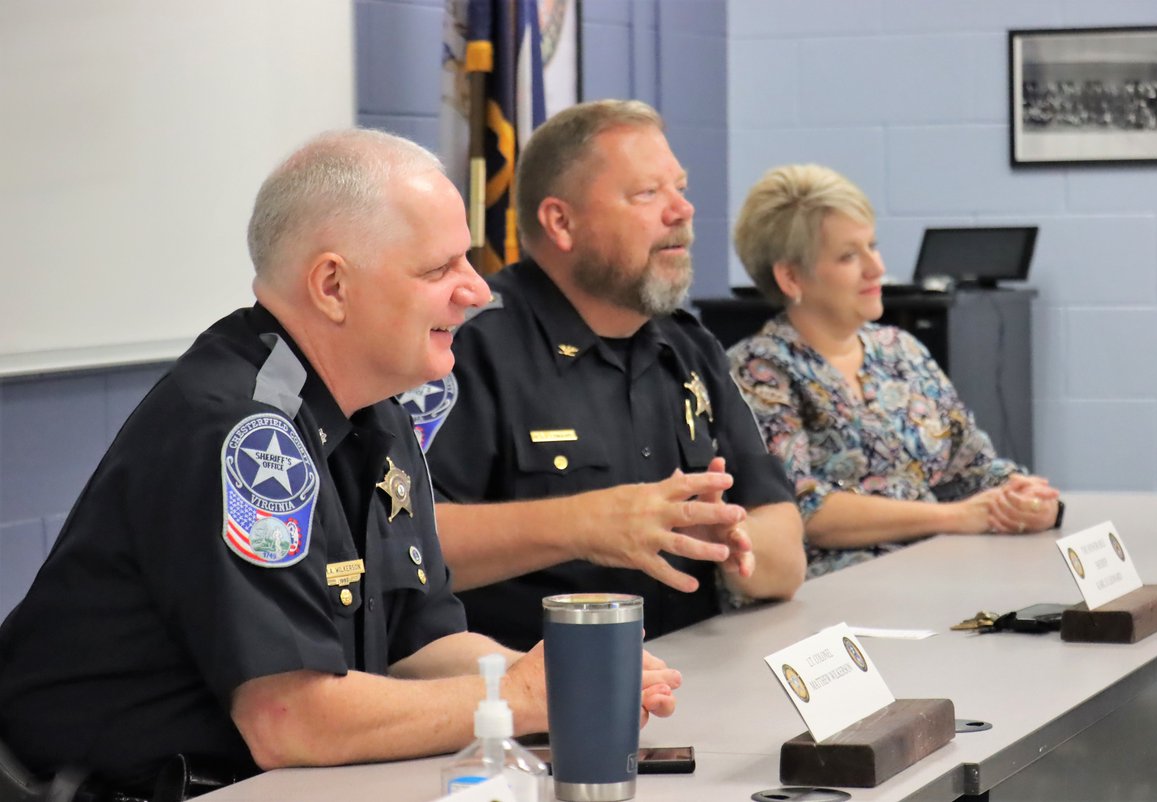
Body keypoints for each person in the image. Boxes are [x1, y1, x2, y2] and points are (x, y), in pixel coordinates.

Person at [0, 130, 678, 795]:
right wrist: (528, 699)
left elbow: (421, 644)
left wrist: (566, 677)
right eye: (440, 269)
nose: (477, 291)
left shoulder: (376, 407)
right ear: (332, 286)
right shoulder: (244, 432)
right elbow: (291, 721)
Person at [409, 100, 806, 651]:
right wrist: (586, 524)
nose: (682, 211)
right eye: (647, 194)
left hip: (695, 680)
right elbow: (404, 545)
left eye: (681, 188)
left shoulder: (690, 346)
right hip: (535, 701)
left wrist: (730, 543)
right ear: (561, 222)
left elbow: (785, 553)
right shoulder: (468, 346)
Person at [726, 164, 1063, 578]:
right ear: (791, 277)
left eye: (873, 245)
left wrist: (1027, 496)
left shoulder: (899, 349)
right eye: (850, 255)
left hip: (940, 575)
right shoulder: (759, 370)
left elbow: (972, 466)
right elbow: (800, 510)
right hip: (837, 600)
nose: (876, 268)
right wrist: (956, 517)